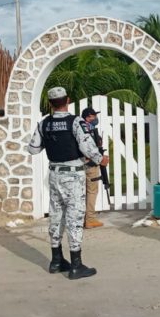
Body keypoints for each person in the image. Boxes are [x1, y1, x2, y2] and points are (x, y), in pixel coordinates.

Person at [27, 87, 109, 279]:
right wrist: (100, 159)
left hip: (54, 173)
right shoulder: (75, 122)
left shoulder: (44, 124)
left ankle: (56, 260)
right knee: (74, 216)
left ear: (50, 103)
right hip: (73, 174)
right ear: (68, 100)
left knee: (56, 214)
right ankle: (76, 265)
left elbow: (33, 149)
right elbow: (86, 145)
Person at [81, 107, 104, 229]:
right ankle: (90, 219)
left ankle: (82, 218)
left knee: (81, 192)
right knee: (92, 191)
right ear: (88, 117)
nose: (95, 118)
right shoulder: (89, 129)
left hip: (80, 164)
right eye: (93, 116)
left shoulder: (79, 128)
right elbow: (91, 147)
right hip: (91, 164)